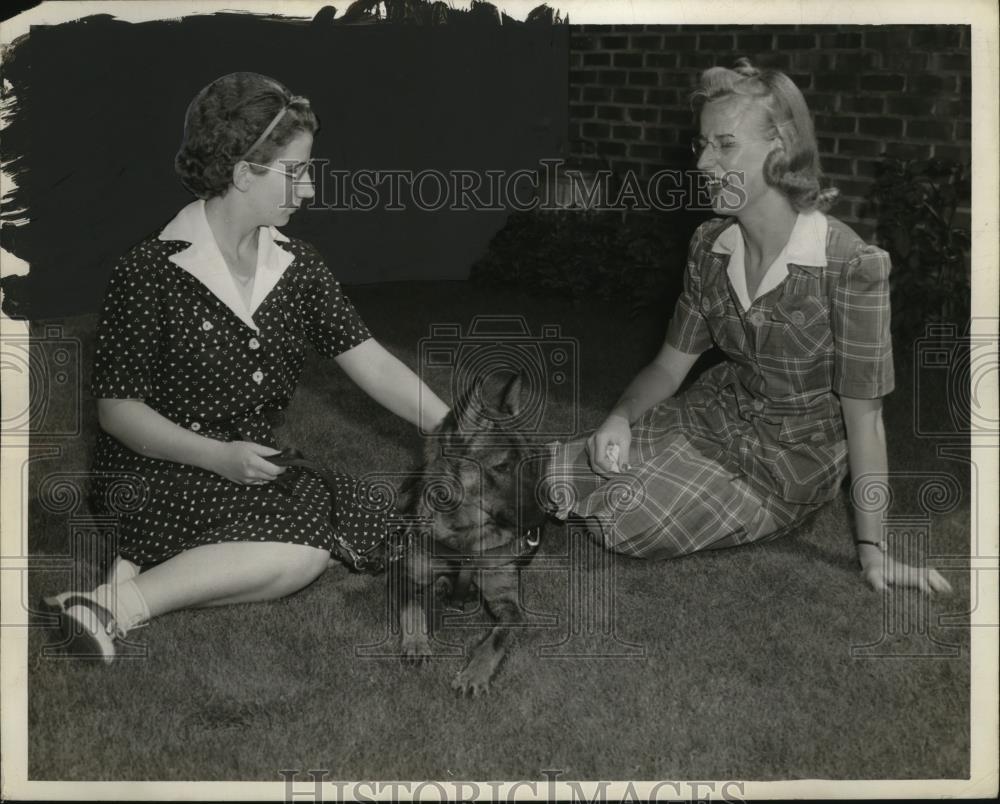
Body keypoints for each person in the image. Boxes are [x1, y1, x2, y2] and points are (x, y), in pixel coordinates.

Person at [43, 72, 450, 662]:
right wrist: (217, 456)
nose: (308, 190)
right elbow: (117, 412)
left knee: (373, 519)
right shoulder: (148, 272)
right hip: (154, 468)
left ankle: (153, 566)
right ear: (242, 175)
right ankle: (114, 606)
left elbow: (373, 362)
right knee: (300, 554)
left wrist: (455, 432)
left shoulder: (297, 266)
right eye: (296, 172)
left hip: (246, 463)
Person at [545, 60, 952, 596]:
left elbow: (866, 422)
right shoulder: (709, 247)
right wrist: (620, 419)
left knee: (625, 516)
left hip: (788, 465)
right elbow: (668, 368)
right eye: (702, 145)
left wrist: (873, 552)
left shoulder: (850, 265)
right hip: (712, 418)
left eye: (725, 145)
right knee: (561, 468)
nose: (704, 162)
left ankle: (697, 494)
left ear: (780, 146)